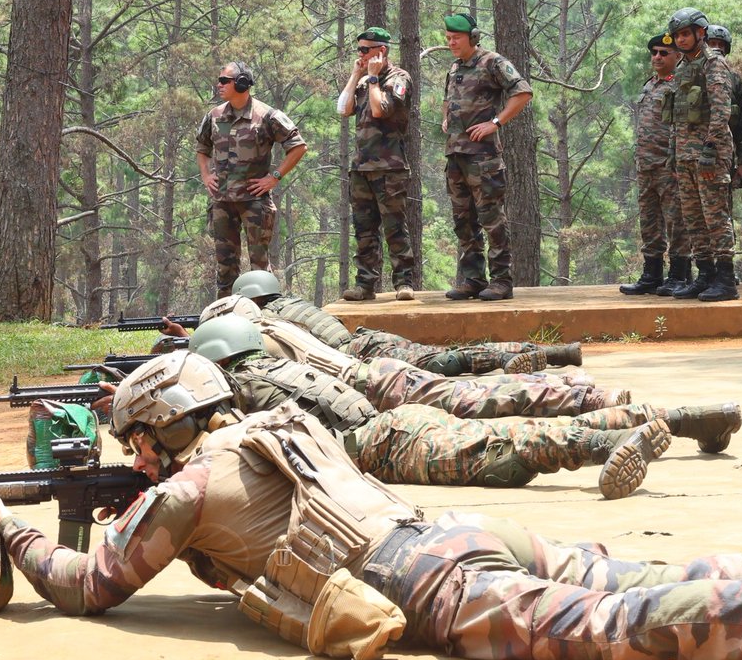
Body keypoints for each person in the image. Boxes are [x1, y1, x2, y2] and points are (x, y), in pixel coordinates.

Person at [0, 362, 742, 660]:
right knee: (637, 566)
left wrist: (1, 522)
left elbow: (88, 584)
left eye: (138, 439)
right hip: (449, 528)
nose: (138, 454)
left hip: (419, 578)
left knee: (623, 622)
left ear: (156, 429)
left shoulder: (182, 489)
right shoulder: (275, 424)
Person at [190, 319, 738, 499]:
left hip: (383, 443)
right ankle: (686, 416)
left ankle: (611, 443)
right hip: (391, 423)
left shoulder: (237, 390)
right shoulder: (270, 361)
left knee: (511, 445)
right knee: (517, 424)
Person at [185, 294, 634, 419]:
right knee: (460, 372)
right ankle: (561, 374)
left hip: (370, 378)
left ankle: (572, 392)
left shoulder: (265, 341)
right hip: (372, 357)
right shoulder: (284, 316)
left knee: (468, 397)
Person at [232, 269, 580, 375]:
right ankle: (556, 353)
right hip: (366, 339)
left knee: (446, 362)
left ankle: (513, 360)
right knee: (443, 354)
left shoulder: (266, 318)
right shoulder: (295, 303)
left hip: (357, 354)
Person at [441, 13, 533, 302]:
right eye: (448, 38)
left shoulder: (492, 62)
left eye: (456, 37)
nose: (451, 42)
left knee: (492, 219)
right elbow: (448, 100)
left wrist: (496, 122)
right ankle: (473, 279)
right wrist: (446, 119)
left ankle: (502, 281)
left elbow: (523, 91)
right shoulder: (455, 66)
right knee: (463, 221)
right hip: (456, 156)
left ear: (473, 36)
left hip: (484, 159)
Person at [196, 61, 308, 297]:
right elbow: (202, 147)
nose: (219, 85)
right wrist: (206, 176)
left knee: (259, 267)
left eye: (224, 81)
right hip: (222, 202)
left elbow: (298, 146)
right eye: (219, 80)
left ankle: (265, 317)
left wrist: (274, 177)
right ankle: (225, 316)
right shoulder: (215, 116)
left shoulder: (266, 115)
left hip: (254, 202)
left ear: (242, 83)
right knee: (225, 268)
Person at [337, 27, 416, 302]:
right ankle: (365, 285)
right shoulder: (362, 81)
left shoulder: (398, 78)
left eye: (365, 50)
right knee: (364, 229)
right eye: (358, 49)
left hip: (389, 167)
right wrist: (355, 75)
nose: (360, 54)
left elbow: (380, 109)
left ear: (380, 51)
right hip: (361, 168)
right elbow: (343, 109)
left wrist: (371, 79)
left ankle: (404, 282)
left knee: (395, 227)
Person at [665, 8, 739, 301]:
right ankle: (705, 275)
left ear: (701, 33)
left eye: (686, 34)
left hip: (710, 153)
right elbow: (677, 116)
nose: (681, 40)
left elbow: (721, 111)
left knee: (715, 216)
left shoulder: (713, 64)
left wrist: (709, 149)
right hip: (685, 156)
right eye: (678, 36)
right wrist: (674, 154)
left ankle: (725, 279)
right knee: (693, 218)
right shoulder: (683, 67)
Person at [620, 34, 690, 296]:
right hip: (646, 165)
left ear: (677, 56)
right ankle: (651, 275)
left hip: (668, 165)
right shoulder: (650, 85)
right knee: (649, 223)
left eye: (664, 53)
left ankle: (678, 276)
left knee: (676, 222)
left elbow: (682, 126)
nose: (657, 57)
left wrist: (675, 159)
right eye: (655, 53)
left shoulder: (680, 85)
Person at [706, 24, 742, 195]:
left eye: (720, 44)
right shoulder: (691, 75)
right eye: (711, 43)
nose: (716, 48)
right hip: (689, 157)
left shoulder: (735, 81)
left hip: (721, 157)